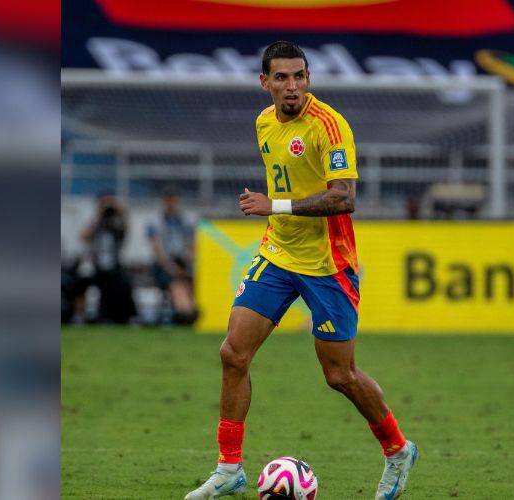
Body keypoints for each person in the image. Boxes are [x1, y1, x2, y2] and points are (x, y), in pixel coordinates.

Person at [184, 41, 416, 500]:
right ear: (265, 82)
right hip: (278, 255)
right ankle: (229, 468)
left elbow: (344, 197)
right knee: (233, 354)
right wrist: (276, 215)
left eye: (299, 76)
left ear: (308, 78)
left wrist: (275, 205)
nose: (292, 86)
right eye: (282, 77)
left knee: (340, 375)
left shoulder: (330, 126)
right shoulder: (264, 122)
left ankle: (398, 449)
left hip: (328, 264)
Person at [78, 193, 136, 324]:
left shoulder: (116, 222)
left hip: (114, 266)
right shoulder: (94, 220)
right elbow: (83, 237)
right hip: (95, 265)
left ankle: (124, 317)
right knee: (81, 282)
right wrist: (99, 216)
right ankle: (81, 316)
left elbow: (126, 232)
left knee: (123, 283)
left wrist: (122, 213)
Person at [147, 189, 198, 325]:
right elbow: (157, 251)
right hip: (163, 265)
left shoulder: (185, 220)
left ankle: (186, 311)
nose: (171, 203)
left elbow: (192, 246)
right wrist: (172, 268)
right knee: (177, 284)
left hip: (181, 262)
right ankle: (185, 312)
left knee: (186, 281)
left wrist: (186, 264)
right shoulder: (156, 221)